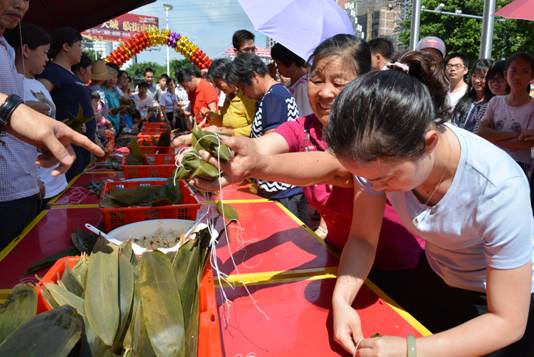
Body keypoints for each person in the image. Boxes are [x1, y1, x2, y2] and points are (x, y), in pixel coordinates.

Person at [320, 51, 533, 356]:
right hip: (435, 277)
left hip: (491, 304)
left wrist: (411, 350)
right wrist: (341, 302)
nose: (374, 187)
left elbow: (508, 321)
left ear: (428, 143)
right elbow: (363, 238)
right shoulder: (377, 161)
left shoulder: (498, 188)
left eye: (384, 179)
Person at [185, 36, 424, 270]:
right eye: (317, 80)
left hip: (396, 268)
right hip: (339, 256)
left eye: (339, 83)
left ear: (364, 84)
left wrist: (254, 165)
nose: (325, 92)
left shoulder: (373, 132)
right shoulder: (305, 127)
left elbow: (335, 168)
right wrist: (210, 144)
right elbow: (259, 146)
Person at [7, 22, 68, 207]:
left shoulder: (38, 84)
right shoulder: (11, 88)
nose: (47, 58)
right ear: (25, 50)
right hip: (36, 183)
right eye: (44, 52)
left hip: (55, 179)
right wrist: (32, 178)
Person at [37, 27, 95, 181]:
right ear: (66, 46)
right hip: (67, 146)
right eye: (79, 46)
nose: (81, 51)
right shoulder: (52, 71)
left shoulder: (71, 74)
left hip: (81, 145)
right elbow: (39, 99)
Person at [478, 53, 534, 172]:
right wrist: (516, 135)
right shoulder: (495, 101)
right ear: (506, 74)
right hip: (491, 160)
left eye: (525, 71)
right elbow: (482, 132)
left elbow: (525, 144)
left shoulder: (532, 106)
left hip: (519, 165)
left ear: (531, 76)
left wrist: (494, 137)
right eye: (513, 71)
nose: (518, 76)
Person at [271, 42, 313, 116]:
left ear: (291, 63)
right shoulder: (294, 83)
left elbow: (303, 116)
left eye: (278, 63)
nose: (277, 67)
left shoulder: (302, 87)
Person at [452, 59, 492, 132]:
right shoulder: (466, 99)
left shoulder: (492, 104)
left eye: (482, 77)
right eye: (474, 76)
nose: (477, 80)